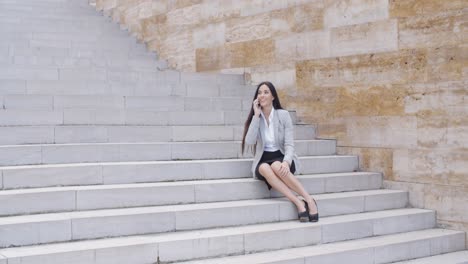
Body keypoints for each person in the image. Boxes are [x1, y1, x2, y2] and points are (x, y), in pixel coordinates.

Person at [242, 81, 319, 222]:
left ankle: (309, 200)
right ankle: (298, 202)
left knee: (276, 165)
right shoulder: (257, 118)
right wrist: (256, 115)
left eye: (266, 92)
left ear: (273, 97)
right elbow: (249, 141)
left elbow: (289, 144)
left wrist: (286, 162)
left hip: (282, 157)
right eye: (259, 93)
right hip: (264, 159)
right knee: (265, 167)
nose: (262, 95)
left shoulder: (283, 115)